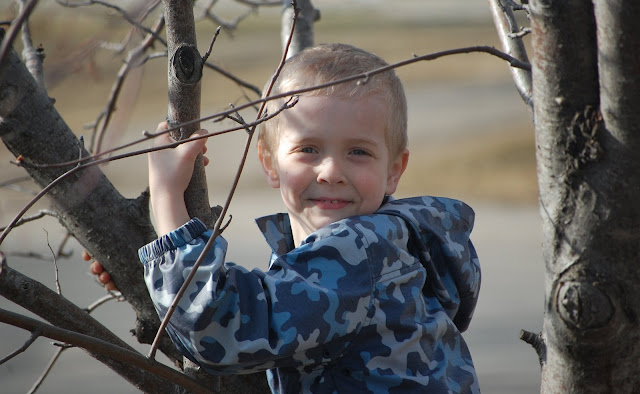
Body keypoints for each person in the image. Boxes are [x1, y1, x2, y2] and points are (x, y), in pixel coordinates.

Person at [95, 43, 481, 393]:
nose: (331, 171)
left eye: (359, 152)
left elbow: (214, 327)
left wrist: (166, 197)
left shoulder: (360, 251)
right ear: (269, 162)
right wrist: (143, 274)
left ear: (394, 169)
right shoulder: (390, 246)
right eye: (309, 149)